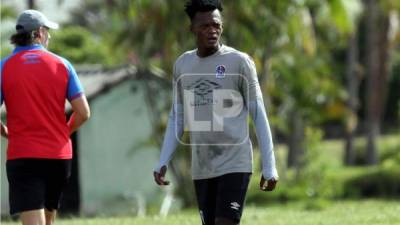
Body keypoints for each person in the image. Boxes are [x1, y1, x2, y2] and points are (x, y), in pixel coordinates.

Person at [153, 1, 278, 225]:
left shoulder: (240, 62)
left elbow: (258, 114)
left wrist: (270, 166)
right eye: (204, 26)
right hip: (202, 167)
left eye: (216, 25)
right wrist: (163, 160)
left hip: (235, 163)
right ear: (192, 28)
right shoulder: (183, 65)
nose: (212, 30)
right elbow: (178, 116)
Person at [0, 10, 90, 225]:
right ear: (39, 33)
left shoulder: (3, 67)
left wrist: (3, 131)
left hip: (24, 155)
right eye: (48, 31)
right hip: (58, 158)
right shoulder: (63, 65)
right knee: (47, 222)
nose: (49, 36)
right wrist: (62, 132)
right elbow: (84, 112)